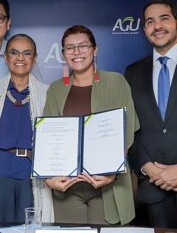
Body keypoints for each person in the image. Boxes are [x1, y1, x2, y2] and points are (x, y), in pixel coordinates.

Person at [44, 25, 139, 225]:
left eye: (83, 46)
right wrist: (48, 178)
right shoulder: (56, 89)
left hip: (108, 185)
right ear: (63, 54)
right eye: (70, 48)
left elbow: (127, 131)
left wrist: (112, 173)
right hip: (69, 187)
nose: (76, 52)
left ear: (95, 50)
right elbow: (48, 137)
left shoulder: (116, 82)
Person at [0, 34, 54, 223]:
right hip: (0, 171)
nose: (20, 58)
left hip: (30, 174)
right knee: (1, 226)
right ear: (6, 58)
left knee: (30, 227)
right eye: (14, 53)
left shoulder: (47, 93)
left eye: (27, 53)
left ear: (35, 58)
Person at [125, 0, 177, 228]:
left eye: (164, 18)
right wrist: (149, 168)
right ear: (145, 30)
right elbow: (129, 131)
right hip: (152, 190)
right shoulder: (133, 72)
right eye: (149, 21)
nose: (157, 26)